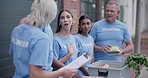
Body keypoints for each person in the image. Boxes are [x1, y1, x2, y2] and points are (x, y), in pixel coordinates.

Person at [9, 0, 77, 78]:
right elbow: (35, 75)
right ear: (50, 14)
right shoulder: (42, 38)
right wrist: (61, 73)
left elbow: (16, 54)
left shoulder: (17, 30)